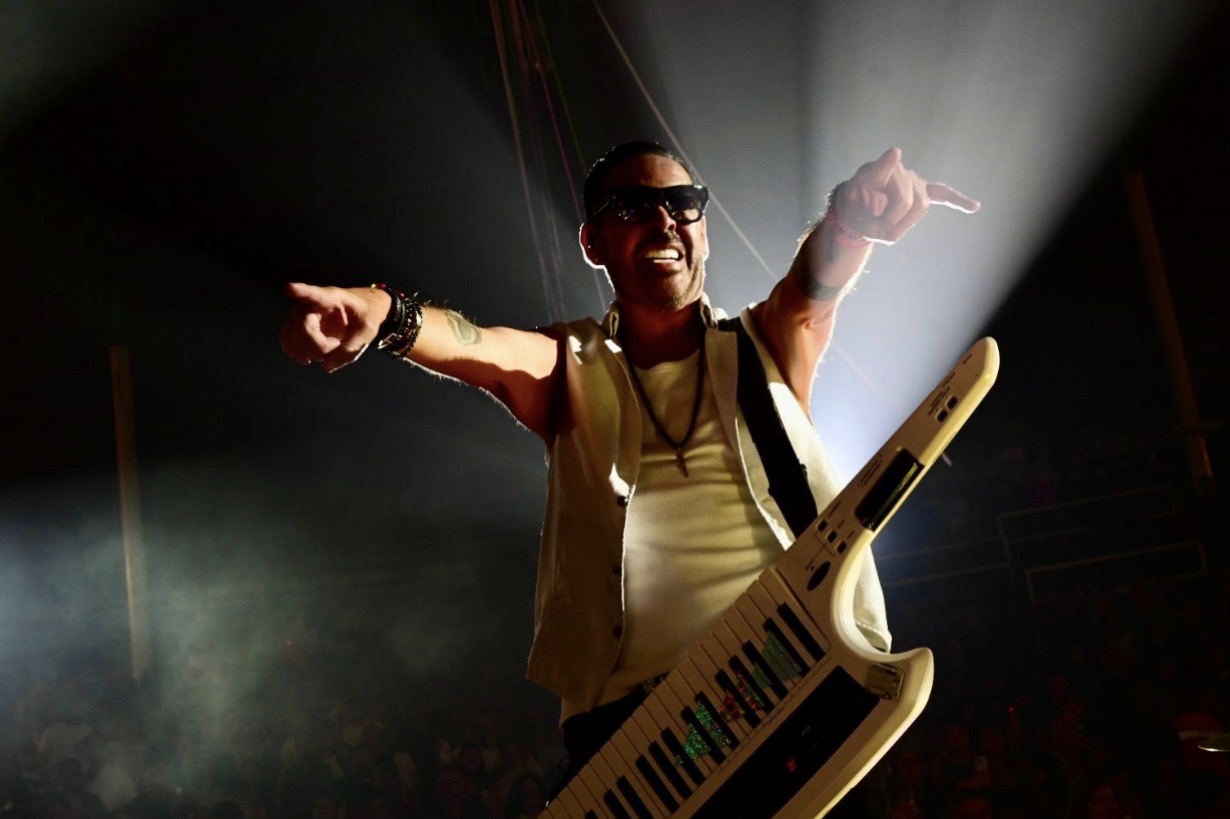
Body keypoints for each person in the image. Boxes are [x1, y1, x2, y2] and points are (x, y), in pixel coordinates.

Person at [279, 141, 978, 789]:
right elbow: (483, 347)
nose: (664, 220)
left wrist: (851, 220)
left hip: (798, 671)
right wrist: (385, 312)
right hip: (645, 742)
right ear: (593, 242)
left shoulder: (764, 342)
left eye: (683, 203)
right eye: (633, 207)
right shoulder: (572, 368)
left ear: (703, 227)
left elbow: (814, 279)